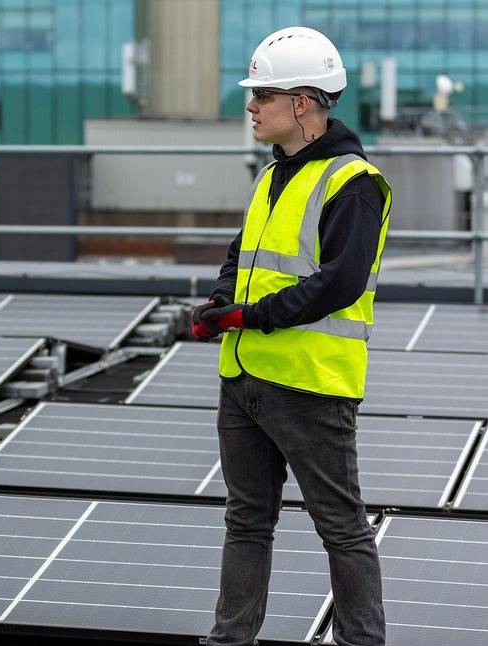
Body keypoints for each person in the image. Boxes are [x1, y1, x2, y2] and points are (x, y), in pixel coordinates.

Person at [191, 27, 391, 646]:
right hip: (244, 377)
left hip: (309, 383)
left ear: (302, 102)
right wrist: (221, 300)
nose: (250, 105)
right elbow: (241, 254)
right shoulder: (272, 174)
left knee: (341, 527)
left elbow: (340, 283)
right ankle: (230, 640)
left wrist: (250, 317)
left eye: (262, 95)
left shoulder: (354, 183)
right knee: (246, 522)